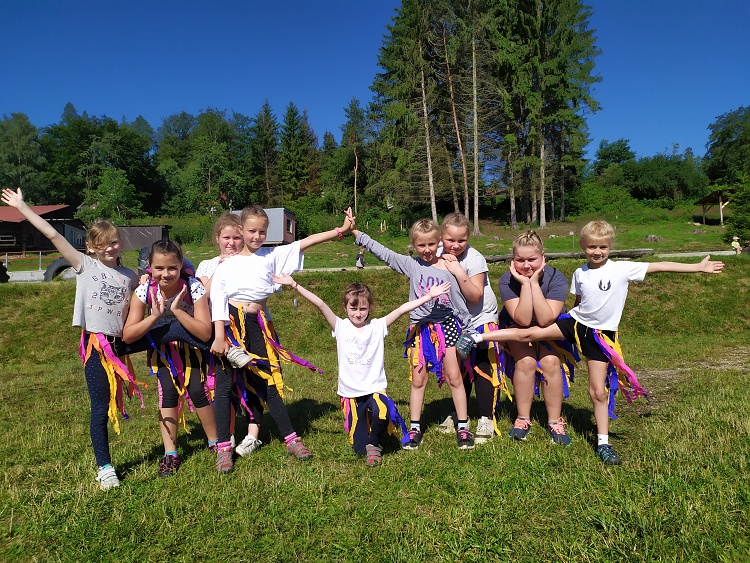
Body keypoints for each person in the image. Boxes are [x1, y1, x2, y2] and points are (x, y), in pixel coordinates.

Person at [470, 220, 725, 465]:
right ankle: (478, 339)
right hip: (571, 324)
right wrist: (532, 288)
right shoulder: (578, 273)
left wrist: (697, 267)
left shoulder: (618, 269)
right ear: (582, 245)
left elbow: (658, 265)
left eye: (603, 246)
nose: (597, 251)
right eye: (592, 246)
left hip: (596, 333)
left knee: (593, 388)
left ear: (610, 246)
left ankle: (594, 439)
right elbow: (573, 306)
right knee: (526, 344)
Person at [1, 188, 142, 490]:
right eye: (102, 244)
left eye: (114, 242)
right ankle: (105, 467)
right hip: (96, 347)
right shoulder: (84, 264)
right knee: (100, 407)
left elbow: (145, 295)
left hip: (123, 343)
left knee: (168, 332)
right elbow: (52, 234)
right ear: (91, 247)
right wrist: (22, 207)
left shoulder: (129, 275)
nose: (109, 248)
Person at [209, 206, 355, 473]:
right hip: (231, 327)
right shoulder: (226, 265)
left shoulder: (272, 256)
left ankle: (291, 438)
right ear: (241, 230)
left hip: (257, 325)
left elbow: (306, 242)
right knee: (224, 387)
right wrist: (219, 336)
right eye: (251, 231)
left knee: (268, 381)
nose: (257, 236)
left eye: (262, 231)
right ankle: (223, 448)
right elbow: (218, 300)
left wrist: (340, 230)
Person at [271, 273, 451, 466]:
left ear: (369, 308)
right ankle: (369, 432)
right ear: (345, 307)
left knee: (382, 411)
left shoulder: (377, 326)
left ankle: (374, 443)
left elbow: (401, 310)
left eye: (363, 308)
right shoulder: (340, 326)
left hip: (374, 390)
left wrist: (429, 296)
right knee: (359, 449)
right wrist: (294, 285)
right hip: (351, 396)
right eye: (353, 308)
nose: (358, 313)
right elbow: (320, 304)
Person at [353, 219, 477, 450]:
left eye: (431, 244)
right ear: (413, 245)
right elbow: (385, 254)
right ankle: (415, 427)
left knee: (454, 377)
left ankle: (462, 426)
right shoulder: (412, 265)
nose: (427, 250)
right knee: (418, 380)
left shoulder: (449, 266)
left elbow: (459, 299)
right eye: (421, 245)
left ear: (439, 242)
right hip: (421, 330)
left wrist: (467, 326)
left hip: (447, 327)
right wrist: (357, 233)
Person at [123, 239, 217, 477]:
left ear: (181, 265)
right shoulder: (144, 290)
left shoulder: (193, 287)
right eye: (159, 268)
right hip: (163, 350)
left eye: (172, 268)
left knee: (197, 390)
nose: (166, 274)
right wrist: (154, 316)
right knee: (168, 393)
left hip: (193, 345)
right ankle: (170, 453)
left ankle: (216, 443)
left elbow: (205, 332)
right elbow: (128, 335)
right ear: (150, 267)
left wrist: (176, 310)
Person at [497, 231, 577, 446]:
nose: (526, 266)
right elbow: (523, 320)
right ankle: (523, 419)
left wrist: (533, 284)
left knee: (550, 362)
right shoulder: (507, 280)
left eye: (532, 259)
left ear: (543, 258)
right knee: (526, 362)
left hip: (549, 327)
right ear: (512, 260)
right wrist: (525, 284)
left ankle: (555, 421)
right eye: (520, 260)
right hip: (516, 327)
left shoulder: (556, 277)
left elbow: (545, 319)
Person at [436, 212, 505, 445]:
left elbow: (475, 295)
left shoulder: (474, 258)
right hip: (456, 319)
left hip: (481, 317)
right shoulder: (437, 253)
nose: (455, 245)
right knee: (459, 368)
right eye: (450, 240)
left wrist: (457, 270)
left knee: (482, 364)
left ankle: (486, 418)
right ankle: (460, 415)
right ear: (441, 237)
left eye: (461, 240)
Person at [194, 212, 258, 456]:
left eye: (236, 238)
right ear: (217, 238)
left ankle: (252, 435)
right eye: (226, 238)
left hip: (247, 329)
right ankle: (227, 432)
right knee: (222, 384)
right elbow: (202, 295)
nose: (231, 243)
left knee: (252, 380)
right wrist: (220, 269)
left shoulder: (250, 261)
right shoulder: (207, 265)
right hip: (219, 332)